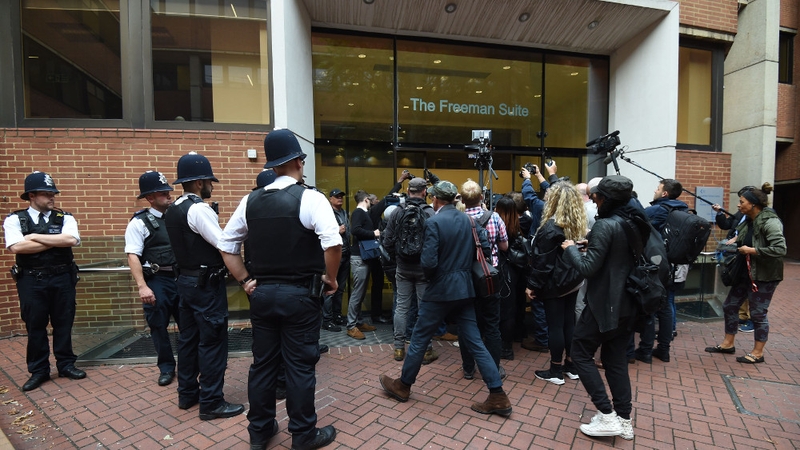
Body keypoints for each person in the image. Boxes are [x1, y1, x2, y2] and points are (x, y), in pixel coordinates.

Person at [219, 129, 341, 450]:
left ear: (273, 166)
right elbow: (333, 243)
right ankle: (303, 435)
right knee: (299, 366)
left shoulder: (250, 200)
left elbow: (226, 246)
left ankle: (259, 432)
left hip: (261, 294)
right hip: (301, 295)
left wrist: (246, 280)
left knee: (263, 365)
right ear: (300, 161)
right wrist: (331, 279)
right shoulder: (311, 198)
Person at [378, 180, 512, 418]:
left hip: (440, 291)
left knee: (419, 337)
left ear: (436, 199)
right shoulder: (470, 221)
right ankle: (497, 394)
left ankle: (404, 385)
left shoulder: (434, 222)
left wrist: (434, 276)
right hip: (466, 290)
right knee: (475, 341)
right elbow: (485, 251)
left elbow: (428, 263)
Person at [562, 175, 644, 440]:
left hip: (603, 303)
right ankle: (624, 419)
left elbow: (588, 268)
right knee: (615, 361)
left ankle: (606, 414)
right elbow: (618, 254)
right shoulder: (633, 221)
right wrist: (592, 245)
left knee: (580, 353)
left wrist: (570, 249)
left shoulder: (605, 225)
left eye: (596, 197)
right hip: (629, 302)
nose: (594, 202)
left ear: (606, 198)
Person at [164, 152, 244, 421]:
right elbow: (223, 244)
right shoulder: (199, 209)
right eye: (209, 180)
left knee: (188, 341)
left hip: (185, 282)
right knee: (212, 342)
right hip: (205, 286)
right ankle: (211, 402)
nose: (211, 185)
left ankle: (188, 394)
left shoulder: (174, 208)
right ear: (199, 182)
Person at [3, 171, 85, 392]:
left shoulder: (65, 218)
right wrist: (54, 241)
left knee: (63, 322)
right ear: (31, 195)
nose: (52, 198)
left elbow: (70, 239)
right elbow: (17, 247)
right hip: (31, 280)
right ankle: (39, 370)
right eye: (47, 193)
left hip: (62, 277)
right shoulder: (14, 219)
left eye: (53, 193)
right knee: (35, 325)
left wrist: (34, 236)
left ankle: (66, 364)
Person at [704, 183, 786, 365]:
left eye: (742, 202)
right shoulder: (747, 220)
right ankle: (728, 344)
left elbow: (780, 248)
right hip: (744, 273)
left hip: (764, 275)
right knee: (730, 306)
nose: (738, 205)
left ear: (754, 204)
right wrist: (735, 241)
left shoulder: (769, 221)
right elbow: (739, 236)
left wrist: (752, 250)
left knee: (757, 314)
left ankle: (758, 352)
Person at [525, 182, 587, 385]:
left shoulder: (550, 227)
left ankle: (555, 370)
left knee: (555, 326)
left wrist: (532, 285)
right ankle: (570, 366)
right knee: (569, 322)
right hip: (573, 280)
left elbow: (542, 263)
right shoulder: (574, 222)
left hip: (556, 283)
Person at [124, 171, 181, 387]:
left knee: (188, 325)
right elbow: (133, 256)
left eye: (168, 190)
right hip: (157, 281)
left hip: (181, 278)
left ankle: (188, 365)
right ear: (150, 198)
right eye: (162, 192)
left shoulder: (178, 216)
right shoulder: (139, 223)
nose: (168, 194)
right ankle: (166, 368)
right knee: (158, 326)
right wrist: (142, 287)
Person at [382, 177, 435, 361]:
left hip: (403, 268)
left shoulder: (397, 212)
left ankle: (398, 349)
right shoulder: (430, 213)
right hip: (423, 269)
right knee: (424, 309)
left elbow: (387, 241)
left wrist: (398, 257)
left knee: (401, 308)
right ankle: (426, 350)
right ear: (424, 192)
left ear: (408, 190)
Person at [459, 179, 508, 377]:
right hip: (489, 277)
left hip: (466, 278)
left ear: (462, 199)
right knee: (492, 325)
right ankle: (494, 368)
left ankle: (468, 368)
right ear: (481, 198)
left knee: (467, 323)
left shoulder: (458, 219)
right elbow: (504, 246)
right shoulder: (494, 217)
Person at [636, 178, 684, 363]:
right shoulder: (682, 209)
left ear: (664, 193)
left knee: (650, 306)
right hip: (674, 265)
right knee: (666, 307)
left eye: (658, 188)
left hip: (656, 264)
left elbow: (638, 220)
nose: (655, 191)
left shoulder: (659, 209)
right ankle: (664, 349)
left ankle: (645, 350)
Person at [712, 185, 755, 333]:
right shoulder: (740, 214)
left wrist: (739, 237)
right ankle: (742, 316)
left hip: (749, 255)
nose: (739, 204)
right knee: (738, 283)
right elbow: (726, 225)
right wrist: (719, 213)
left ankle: (751, 319)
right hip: (735, 253)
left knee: (750, 288)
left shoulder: (759, 218)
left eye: (742, 201)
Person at [346, 190, 379, 340]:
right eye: (370, 200)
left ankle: (357, 322)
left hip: (362, 257)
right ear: (366, 199)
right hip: (359, 257)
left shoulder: (360, 212)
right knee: (357, 293)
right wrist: (374, 233)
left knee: (360, 292)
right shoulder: (359, 212)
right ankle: (351, 326)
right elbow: (355, 230)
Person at [322, 188, 349, 332]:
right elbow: (322, 233)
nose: (340, 198)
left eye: (341, 196)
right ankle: (327, 320)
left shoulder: (343, 212)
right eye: (336, 196)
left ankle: (337, 316)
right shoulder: (327, 214)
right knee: (329, 288)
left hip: (345, 254)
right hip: (332, 256)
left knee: (340, 289)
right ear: (330, 199)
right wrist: (336, 231)